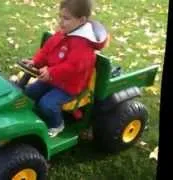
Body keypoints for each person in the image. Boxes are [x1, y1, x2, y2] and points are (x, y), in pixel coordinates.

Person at [22, 0, 109, 137]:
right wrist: (35, 62)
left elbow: (73, 67)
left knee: (47, 104)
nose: (61, 22)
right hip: (52, 80)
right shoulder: (63, 33)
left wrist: (51, 71)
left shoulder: (83, 45)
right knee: (29, 92)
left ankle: (57, 124)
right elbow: (46, 51)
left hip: (69, 86)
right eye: (60, 17)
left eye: (66, 18)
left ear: (81, 20)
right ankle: (30, 118)